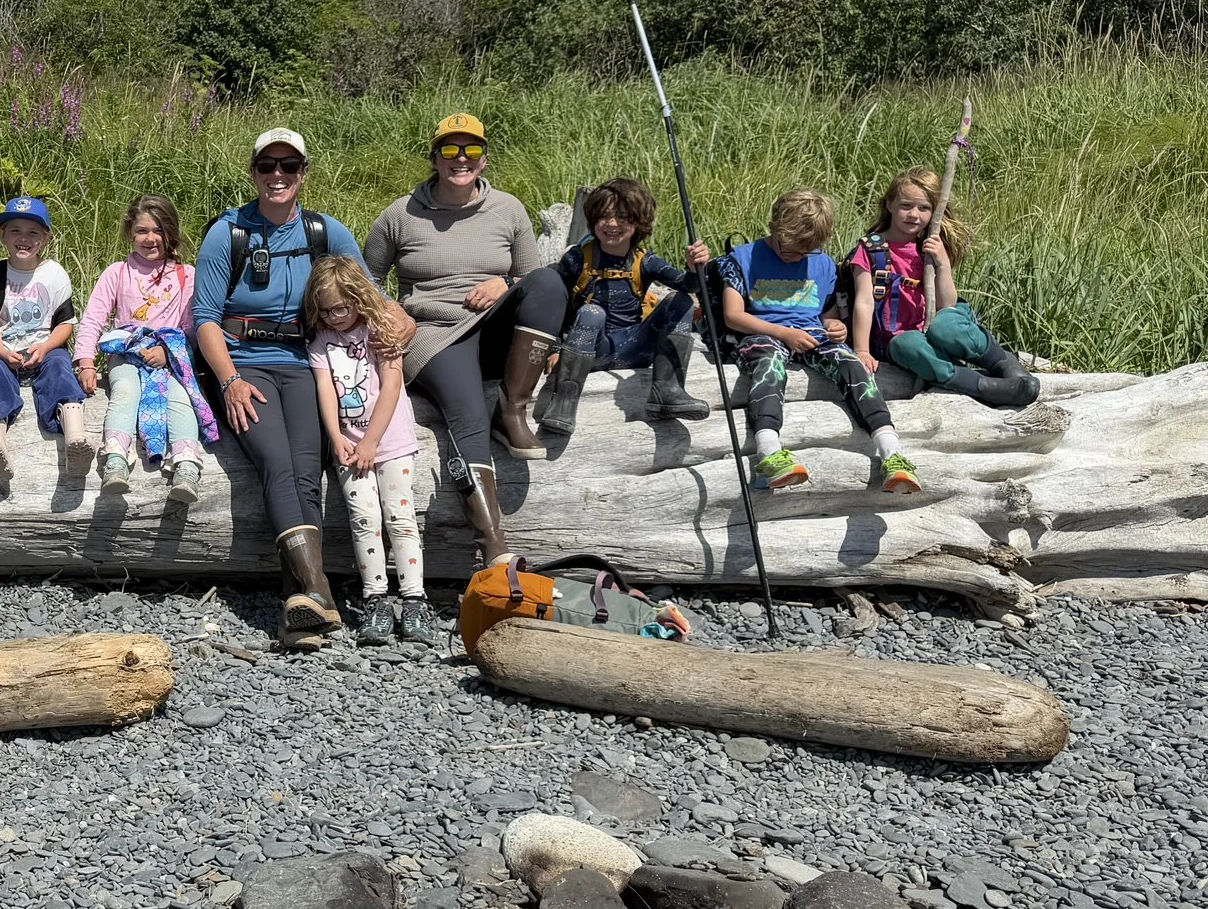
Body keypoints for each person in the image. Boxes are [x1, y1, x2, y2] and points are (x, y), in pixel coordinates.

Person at [192, 127, 367, 650]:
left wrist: (400, 327)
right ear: (253, 172)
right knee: (277, 463)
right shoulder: (228, 233)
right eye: (267, 166)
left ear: (302, 174)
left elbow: (368, 292)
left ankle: (299, 611)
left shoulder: (324, 232)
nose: (277, 176)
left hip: (308, 361)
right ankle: (317, 589)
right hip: (245, 361)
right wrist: (230, 382)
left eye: (288, 167)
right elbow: (204, 318)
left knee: (308, 471)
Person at [362, 114, 560, 569]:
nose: (461, 159)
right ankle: (492, 542)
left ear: (484, 159)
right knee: (466, 416)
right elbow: (368, 278)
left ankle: (511, 409)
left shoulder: (508, 209)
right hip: (433, 334)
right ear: (434, 159)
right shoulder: (400, 214)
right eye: (450, 150)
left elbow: (533, 278)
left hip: (494, 328)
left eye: (471, 150)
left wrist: (505, 282)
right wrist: (393, 312)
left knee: (550, 281)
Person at [721, 189, 920, 493]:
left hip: (811, 334)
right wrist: (783, 333)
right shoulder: (742, 259)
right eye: (789, 247)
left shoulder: (823, 263)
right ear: (774, 227)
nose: (795, 256)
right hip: (763, 333)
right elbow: (732, 315)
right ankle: (769, 449)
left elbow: (827, 311)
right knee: (770, 364)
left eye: (805, 251)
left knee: (852, 363)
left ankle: (890, 450)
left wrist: (834, 325)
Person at [302, 256, 431, 647]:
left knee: (400, 515)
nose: (335, 316)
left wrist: (372, 440)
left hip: (389, 441)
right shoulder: (321, 343)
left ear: (359, 298)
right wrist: (336, 436)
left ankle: (413, 599)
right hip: (349, 445)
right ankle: (375, 597)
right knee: (364, 518)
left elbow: (391, 385)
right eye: (326, 311)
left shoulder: (380, 331)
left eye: (341, 307)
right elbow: (326, 389)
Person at [535, 176, 712, 437]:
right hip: (592, 350)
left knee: (681, 300)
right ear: (593, 219)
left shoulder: (644, 260)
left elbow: (689, 286)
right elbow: (557, 305)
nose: (612, 224)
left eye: (622, 217)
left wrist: (695, 266)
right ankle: (563, 404)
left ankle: (667, 391)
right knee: (591, 313)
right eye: (604, 217)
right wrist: (557, 348)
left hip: (634, 347)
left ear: (638, 222)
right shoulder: (577, 259)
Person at [849, 169, 1038, 409]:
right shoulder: (871, 250)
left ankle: (1002, 363)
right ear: (889, 204)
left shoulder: (931, 246)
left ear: (935, 211)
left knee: (946, 327)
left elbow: (947, 304)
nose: (914, 215)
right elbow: (864, 302)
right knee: (909, 346)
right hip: (897, 337)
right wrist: (862, 350)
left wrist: (942, 263)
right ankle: (984, 387)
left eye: (924, 208)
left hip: (936, 322)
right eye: (906, 205)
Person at [74, 195, 213, 503]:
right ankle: (115, 459)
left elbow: (192, 326)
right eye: (142, 231)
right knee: (125, 391)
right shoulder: (117, 272)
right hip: (127, 351)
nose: (150, 239)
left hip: (170, 354)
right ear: (130, 233)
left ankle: (186, 465)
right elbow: (94, 318)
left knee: (180, 397)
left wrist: (167, 352)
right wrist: (85, 361)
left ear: (171, 232)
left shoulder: (186, 275)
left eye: (158, 230)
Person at [0, 196, 93, 489]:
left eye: (33, 233)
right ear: (3, 235)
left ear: (45, 238)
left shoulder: (54, 273)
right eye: (15, 231)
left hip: (44, 346)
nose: (23, 239)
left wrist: (47, 346)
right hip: (5, 348)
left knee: (60, 366)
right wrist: (0, 350)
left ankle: (74, 433)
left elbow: (65, 325)